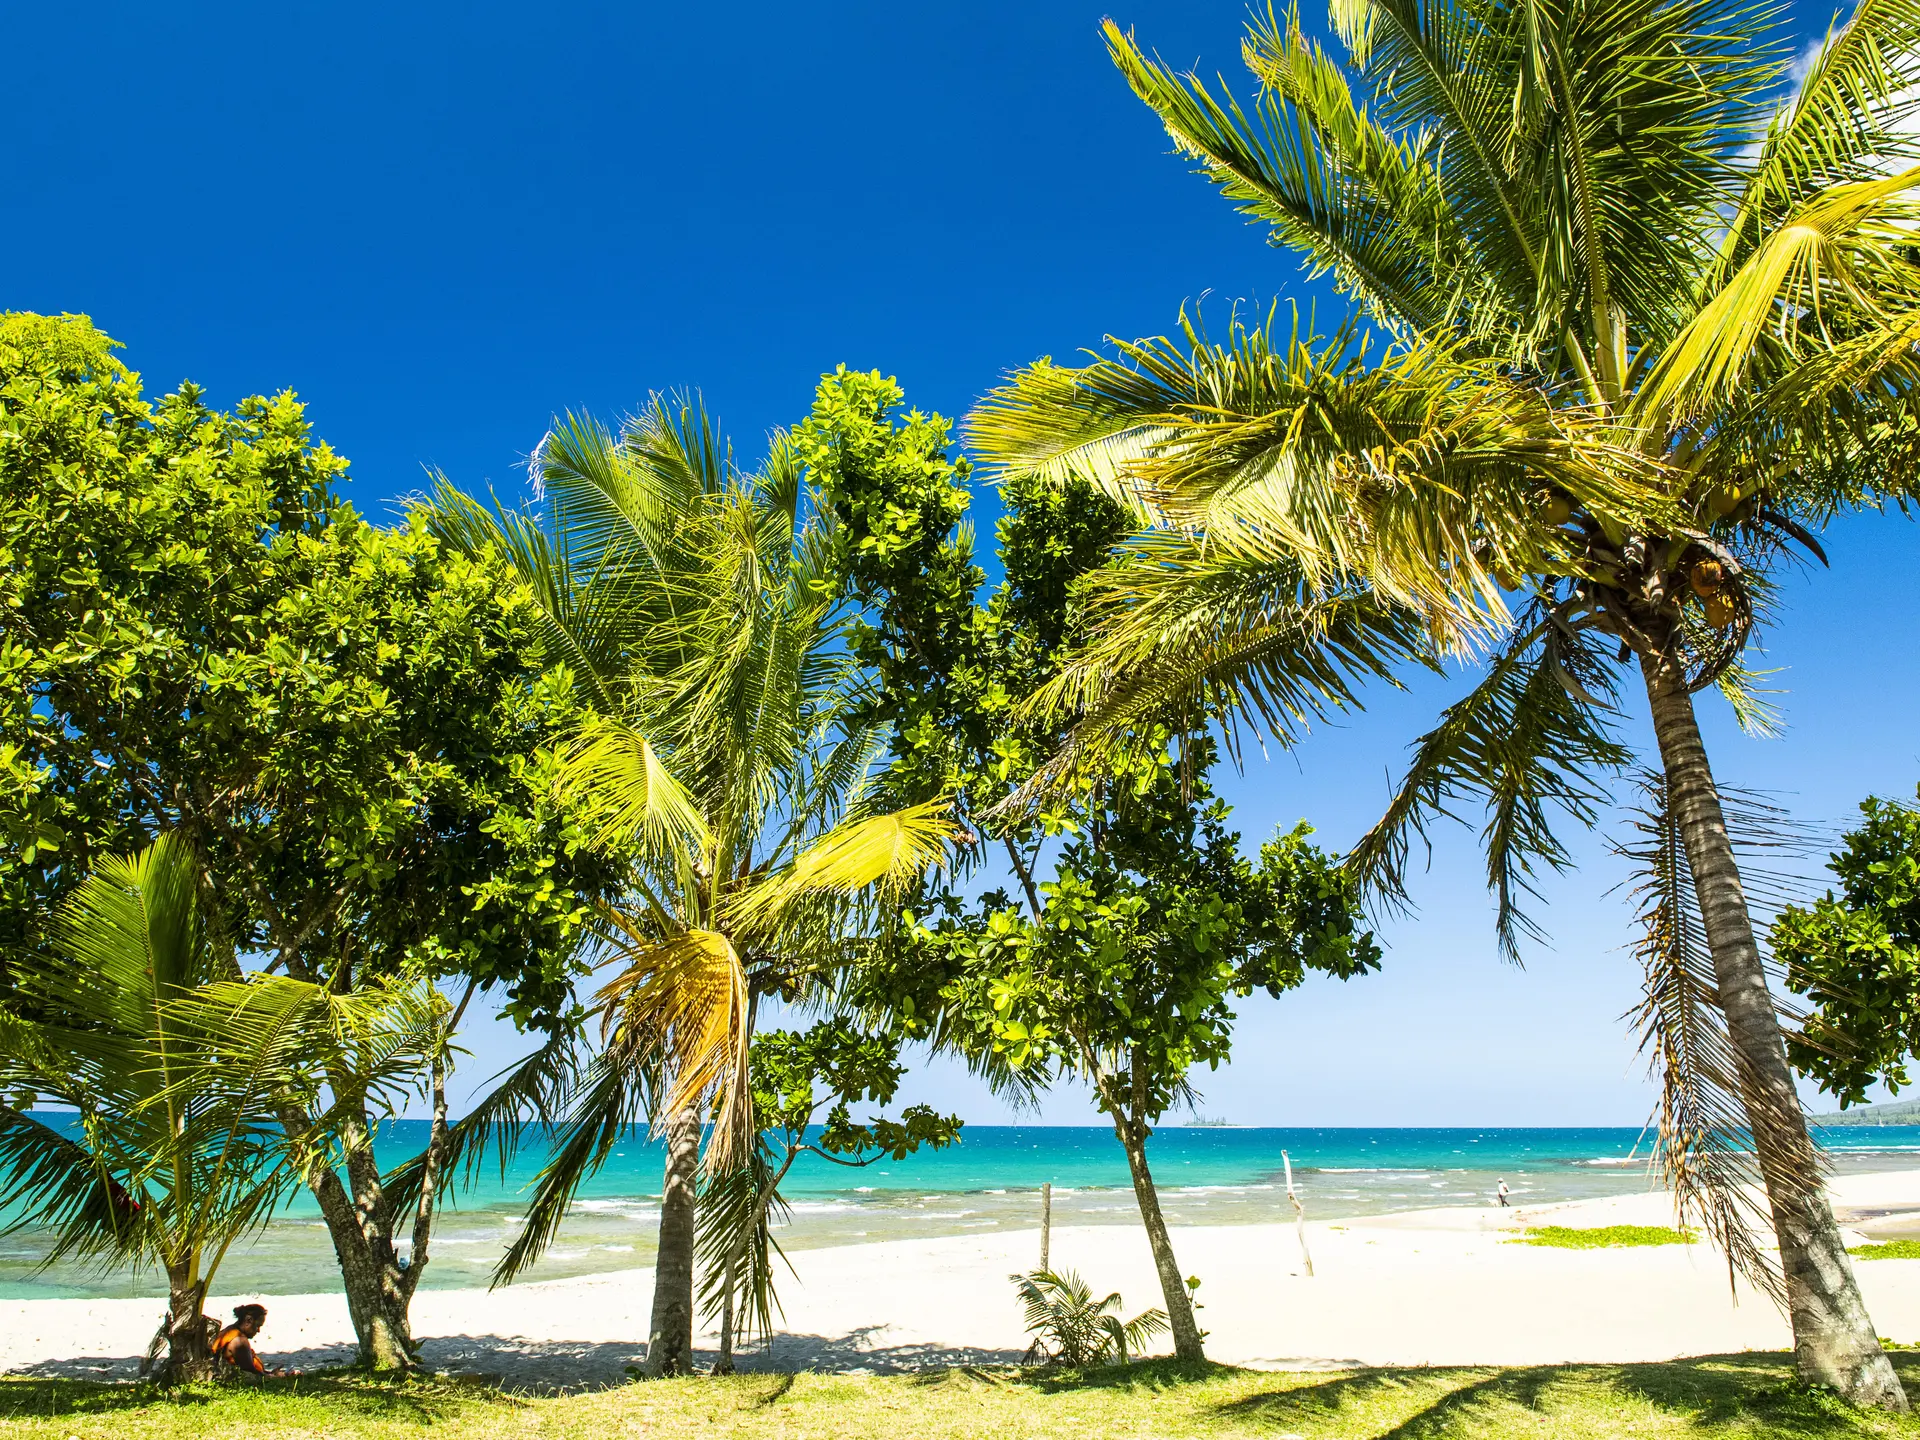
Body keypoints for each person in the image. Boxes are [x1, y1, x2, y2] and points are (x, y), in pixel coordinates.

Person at [212, 1304, 297, 1378]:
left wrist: (270, 1373)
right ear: (249, 1320)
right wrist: (274, 1377)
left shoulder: (229, 1331)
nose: (258, 1330)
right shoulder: (239, 1340)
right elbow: (251, 1373)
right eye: (257, 1326)